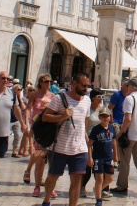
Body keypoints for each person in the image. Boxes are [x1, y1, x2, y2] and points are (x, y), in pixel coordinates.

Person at [41, 72, 92, 206]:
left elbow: (84, 121)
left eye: (88, 86)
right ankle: (46, 200)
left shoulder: (87, 100)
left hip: (79, 147)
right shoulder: (59, 98)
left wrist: (85, 136)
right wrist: (62, 116)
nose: (86, 89)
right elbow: (45, 117)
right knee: (53, 176)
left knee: (77, 179)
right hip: (60, 146)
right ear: (73, 84)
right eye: (83, 85)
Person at [110, 78, 137, 197]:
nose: (126, 88)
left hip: (129, 136)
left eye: (127, 86)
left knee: (124, 162)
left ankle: (122, 186)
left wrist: (121, 132)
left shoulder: (129, 99)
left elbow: (128, 119)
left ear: (131, 87)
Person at [24, 73, 56, 198]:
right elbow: (28, 108)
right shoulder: (35, 94)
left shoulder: (53, 96)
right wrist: (26, 122)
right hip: (38, 128)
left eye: (50, 82)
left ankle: (49, 185)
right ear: (41, 82)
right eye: (46, 81)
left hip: (49, 129)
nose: (49, 84)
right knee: (39, 158)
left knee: (50, 159)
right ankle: (37, 186)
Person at [88, 107, 119, 206]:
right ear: (99, 117)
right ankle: (98, 199)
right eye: (103, 116)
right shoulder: (96, 129)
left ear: (110, 117)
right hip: (98, 157)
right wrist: (89, 157)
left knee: (110, 178)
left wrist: (115, 155)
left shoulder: (111, 128)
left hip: (108, 157)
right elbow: (90, 143)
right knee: (99, 179)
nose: (105, 118)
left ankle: (98, 189)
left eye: (107, 116)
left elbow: (114, 142)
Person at [80, 89, 105, 198]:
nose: (101, 99)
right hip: (89, 140)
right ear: (93, 98)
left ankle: (101, 189)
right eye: (99, 96)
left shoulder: (103, 109)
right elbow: (84, 126)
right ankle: (82, 187)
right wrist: (86, 139)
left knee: (100, 166)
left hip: (101, 141)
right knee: (88, 166)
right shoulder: (88, 110)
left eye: (102, 97)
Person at [10, 84, 26, 158]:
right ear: (14, 90)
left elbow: (23, 108)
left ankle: (14, 152)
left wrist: (20, 98)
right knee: (6, 136)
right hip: (8, 119)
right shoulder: (10, 97)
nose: (19, 91)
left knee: (18, 135)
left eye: (21, 89)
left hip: (16, 119)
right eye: (18, 89)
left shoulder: (20, 98)